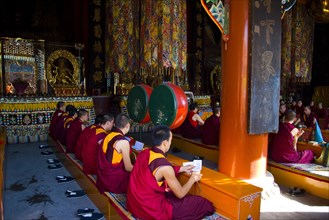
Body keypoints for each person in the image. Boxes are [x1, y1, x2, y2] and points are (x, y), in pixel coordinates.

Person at [127, 125, 214, 220]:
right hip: (151, 209)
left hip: (135, 204)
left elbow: (155, 170)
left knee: (170, 193)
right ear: (164, 143)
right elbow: (180, 194)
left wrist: (181, 168)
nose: (170, 143)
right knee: (202, 203)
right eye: (170, 140)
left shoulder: (144, 152)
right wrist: (193, 178)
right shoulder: (165, 167)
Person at [96, 113, 133, 193]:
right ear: (128, 125)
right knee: (139, 177)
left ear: (115, 124)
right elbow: (128, 168)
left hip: (103, 177)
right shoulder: (123, 142)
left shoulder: (108, 135)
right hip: (114, 181)